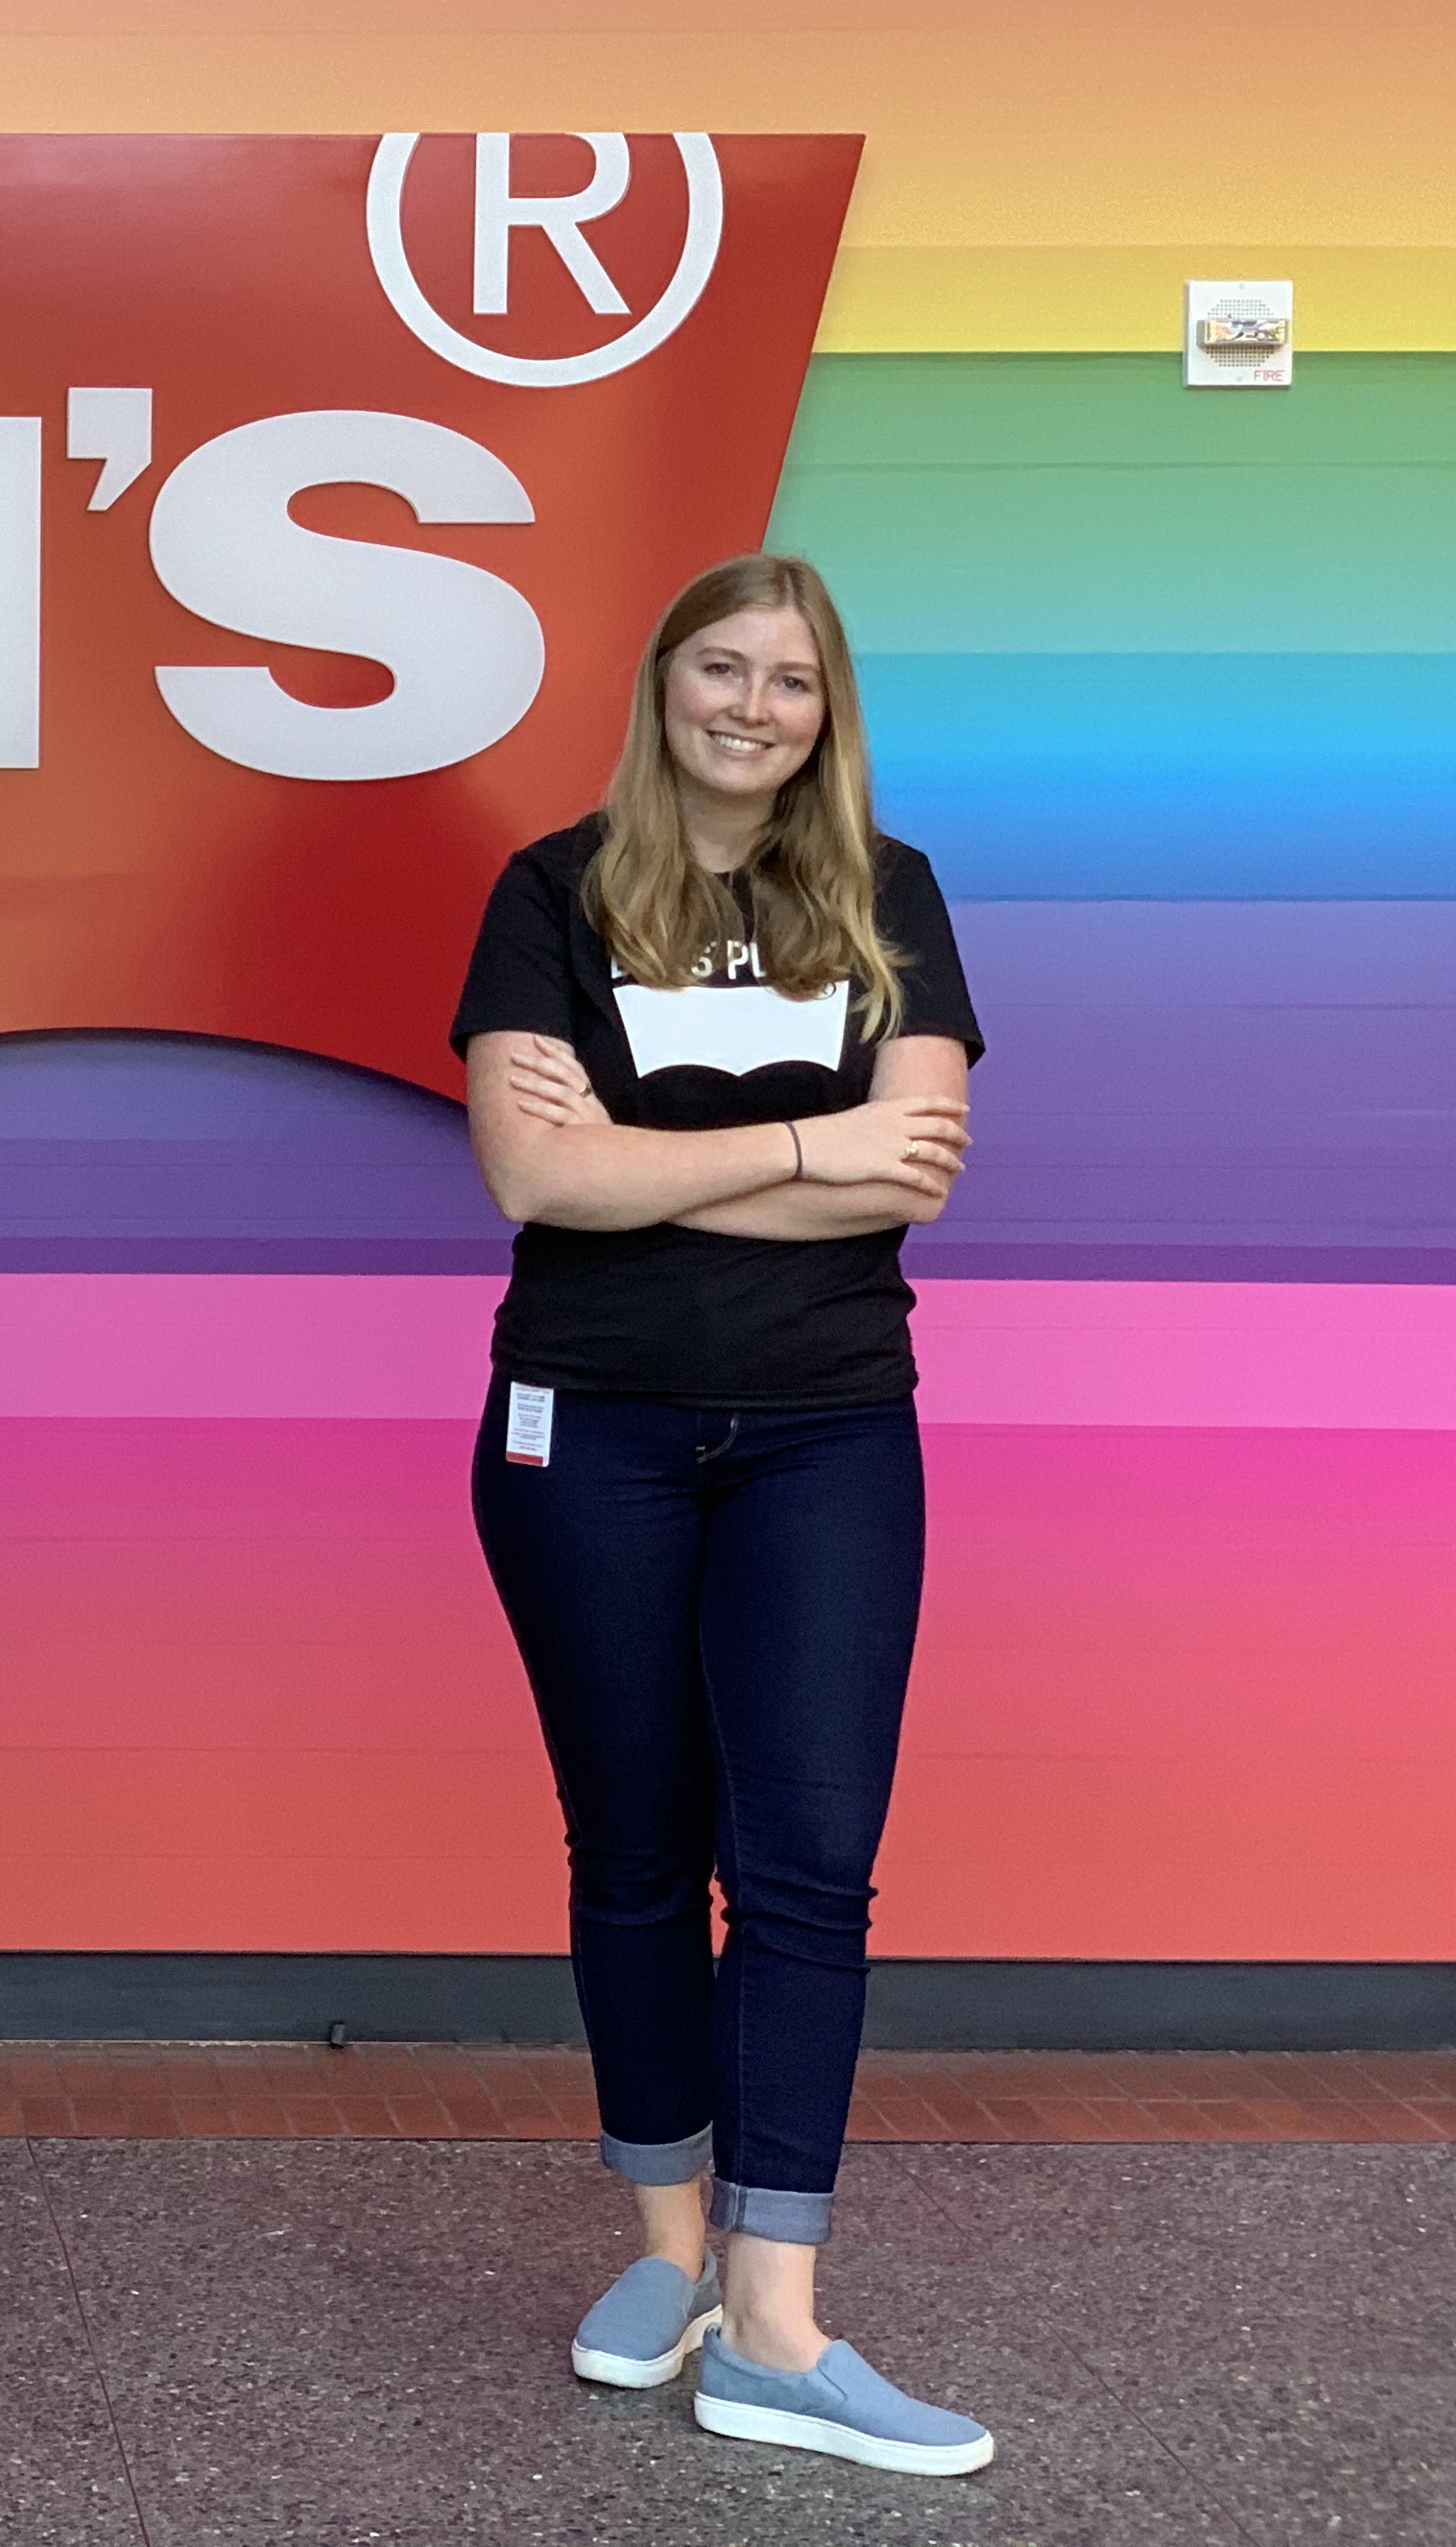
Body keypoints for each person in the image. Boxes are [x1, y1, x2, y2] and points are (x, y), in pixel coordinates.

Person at [450, 552, 992, 2475]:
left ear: (826, 710)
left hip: (827, 1433)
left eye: (790, 677)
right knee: (631, 1844)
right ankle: (667, 2250)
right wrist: (801, 1142)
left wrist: (650, 1164)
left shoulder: (887, 895)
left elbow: (910, 1175)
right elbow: (529, 1168)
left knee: (811, 1864)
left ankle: (775, 2315)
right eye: (720, 667)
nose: (752, 703)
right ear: (664, 684)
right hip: (579, 1429)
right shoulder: (553, 892)